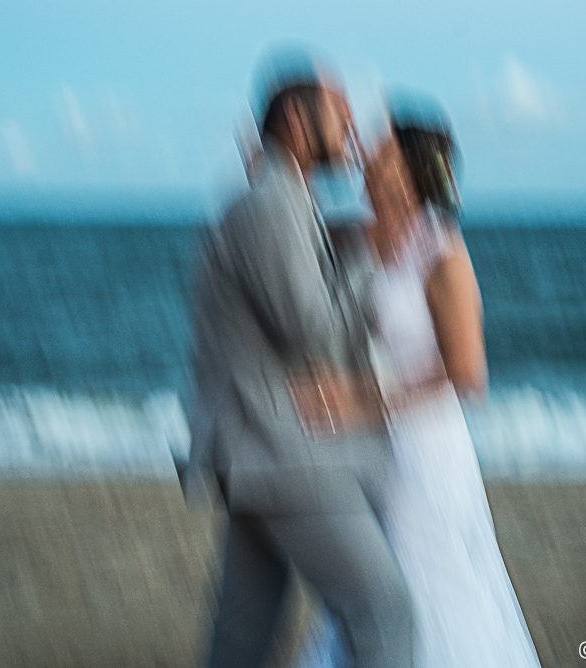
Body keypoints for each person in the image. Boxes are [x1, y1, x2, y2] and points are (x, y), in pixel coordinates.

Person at [182, 50, 413, 668]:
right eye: (339, 114)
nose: (352, 131)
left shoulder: (284, 201)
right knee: (384, 612)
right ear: (296, 118)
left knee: (242, 640)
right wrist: (371, 249)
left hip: (255, 450)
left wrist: (362, 231)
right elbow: (314, 335)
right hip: (281, 450)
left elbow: (308, 264)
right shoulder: (272, 204)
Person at [292, 95, 541, 667]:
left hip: (424, 457)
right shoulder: (355, 235)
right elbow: (289, 230)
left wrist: (354, 399)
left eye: (378, 147)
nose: (365, 153)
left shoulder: (441, 251)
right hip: (364, 452)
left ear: (406, 166)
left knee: (424, 589)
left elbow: (467, 375)